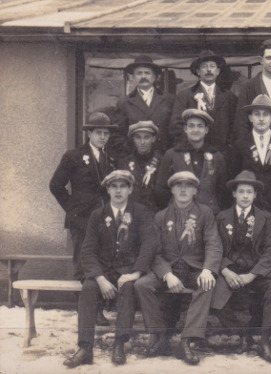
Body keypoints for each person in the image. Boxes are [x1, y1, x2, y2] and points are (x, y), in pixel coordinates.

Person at [63, 170, 157, 367]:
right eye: (113, 186)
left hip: (129, 270)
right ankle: (85, 347)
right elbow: (87, 251)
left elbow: (149, 244)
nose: (118, 191)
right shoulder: (98, 215)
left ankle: (119, 344)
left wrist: (135, 273)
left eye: (123, 186)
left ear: (130, 189)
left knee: (128, 289)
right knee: (88, 289)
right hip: (103, 271)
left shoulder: (140, 212)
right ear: (107, 190)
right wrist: (99, 278)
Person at [134, 171, 223, 365]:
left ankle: (187, 340)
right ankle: (160, 337)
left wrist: (208, 269)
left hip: (194, 269)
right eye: (178, 185)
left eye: (188, 186)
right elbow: (154, 252)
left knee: (207, 284)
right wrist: (166, 274)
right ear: (172, 189)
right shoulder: (160, 217)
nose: (183, 189)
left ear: (194, 191)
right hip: (170, 269)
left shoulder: (204, 213)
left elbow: (213, 243)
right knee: (142, 285)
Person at [210, 170, 271, 363]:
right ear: (233, 193)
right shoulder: (221, 217)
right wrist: (225, 271)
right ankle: (243, 334)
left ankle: (265, 341)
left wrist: (252, 275)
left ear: (255, 195)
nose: (244, 196)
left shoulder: (264, 218)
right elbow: (214, 248)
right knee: (212, 291)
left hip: (255, 272)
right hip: (230, 271)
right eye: (241, 191)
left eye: (249, 192)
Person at [50, 112, 117, 283]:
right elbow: (56, 185)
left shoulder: (111, 159)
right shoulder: (74, 156)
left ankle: (99, 308)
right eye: (98, 133)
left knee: (102, 264)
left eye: (106, 133)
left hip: (104, 218)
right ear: (89, 134)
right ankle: (81, 308)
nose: (102, 137)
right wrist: (73, 208)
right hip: (81, 219)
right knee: (83, 265)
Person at [229, 94, 271, 216]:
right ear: (250, 117)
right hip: (249, 208)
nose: (261, 119)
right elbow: (233, 176)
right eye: (257, 114)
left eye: (265, 114)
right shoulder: (240, 145)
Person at [155, 108, 227, 213]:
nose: (195, 130)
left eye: (200, 126)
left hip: (209, 216)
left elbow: (222, 192)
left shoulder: (216, 157)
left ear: (206, 130)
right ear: (185, 129)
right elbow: (161, 191)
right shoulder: (172, 155)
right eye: (191, 126)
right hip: (178, 215)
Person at [169, 50, 237, 152]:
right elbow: (176, 126)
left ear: (218, 71)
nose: (209, 70)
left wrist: (227, 146)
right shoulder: (185, 96)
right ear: (198, 72)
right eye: (204, 66)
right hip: (194, 152)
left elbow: (235, 125)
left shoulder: (229, 97)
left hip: (222, 153)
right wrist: (193, 145)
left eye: (212, 66)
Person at [113, 55, 174, 153]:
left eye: (147, 73)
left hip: (162, 157)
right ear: (132, 77)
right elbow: (117, 136)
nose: (143, 76)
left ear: (155, 77)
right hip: (134, 158)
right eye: (139, 73)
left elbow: (174, 132)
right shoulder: (124, 102)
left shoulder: (169, 100)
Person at [233, 39, 271, 141]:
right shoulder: (248, 86)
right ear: (261, 60)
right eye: (269, 58)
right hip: (257, 143)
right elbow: (242, 122)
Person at [117, 120, 162, 211]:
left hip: (154, 214)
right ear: (133, 139)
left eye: (146, 137)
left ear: (153, 139)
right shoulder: (124, 163)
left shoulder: (161, 162)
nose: (142, 142)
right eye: (138, 137)